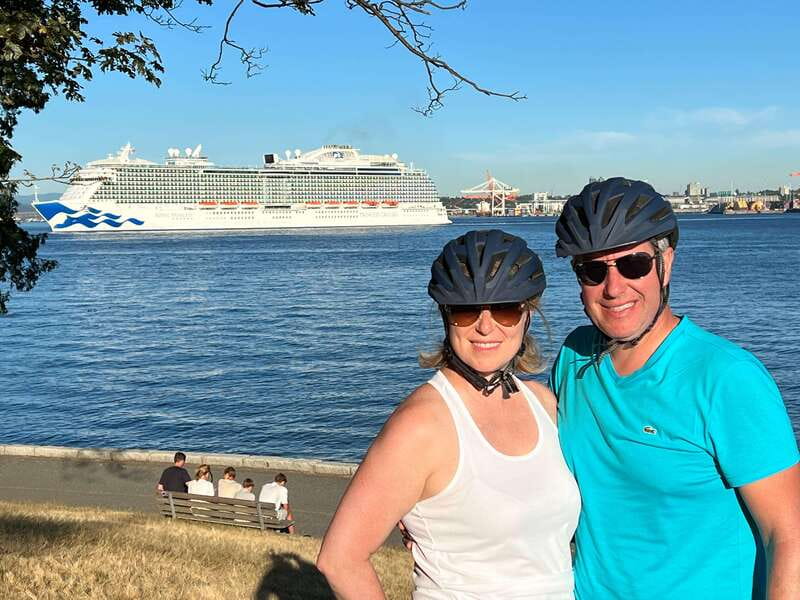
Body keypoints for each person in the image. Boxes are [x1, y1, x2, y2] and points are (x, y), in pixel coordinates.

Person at [551, 177, 800, 599]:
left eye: (633, 265)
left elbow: (789, 534)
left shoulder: (726, 378)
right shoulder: (573, 357)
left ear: (667, 262)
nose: (613, 288)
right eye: (593, 270)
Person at [317, 230, 581, 599]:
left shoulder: (542, 403)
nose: (485, 326)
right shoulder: (422, 425)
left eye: (505, 309)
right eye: (465, 310)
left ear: (527, 316)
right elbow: (340, 559)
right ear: (445, 316)